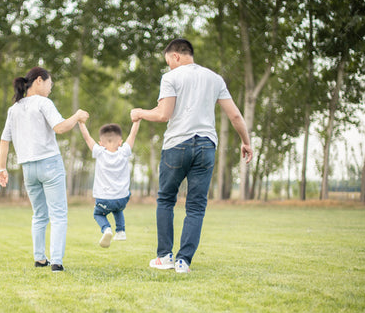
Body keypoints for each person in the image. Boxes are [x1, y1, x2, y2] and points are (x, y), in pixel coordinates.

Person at [130, 38, 253, 273]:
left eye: (168, 62)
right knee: (196, 206)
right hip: (206, 146)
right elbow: (235, 116)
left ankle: (164, 257)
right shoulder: (215, 79)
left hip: (177, 144)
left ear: (176, 56)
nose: (168, 67)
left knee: (166, 199)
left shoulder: (171, 78)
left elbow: (164, 114)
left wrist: (140, 113)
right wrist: (246, 142)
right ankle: (183, 261)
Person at [0, 66, 89, 273]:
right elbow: (60, 128)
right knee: (58, 214)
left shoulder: (14, 109)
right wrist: (77, 116)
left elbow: (4, 140)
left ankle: (40, 259)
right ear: (39, 80)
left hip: (28, 168)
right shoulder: (43, 103)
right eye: (50, 84)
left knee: (39, 215)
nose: (50, 88)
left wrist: (1, 168)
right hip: (50, 164)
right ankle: (56, 261)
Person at [78, 120, 141, 248]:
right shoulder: (124, 152)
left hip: (104, 198)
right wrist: (137, 120)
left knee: (98, 214)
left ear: (101, 143)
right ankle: (121, 230)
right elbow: (133, 134)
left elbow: (87, 138)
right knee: (117, 208)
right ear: (120, 142)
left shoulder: (99, 152)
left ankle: (107, 229)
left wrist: (81, 122)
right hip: (122, 198)